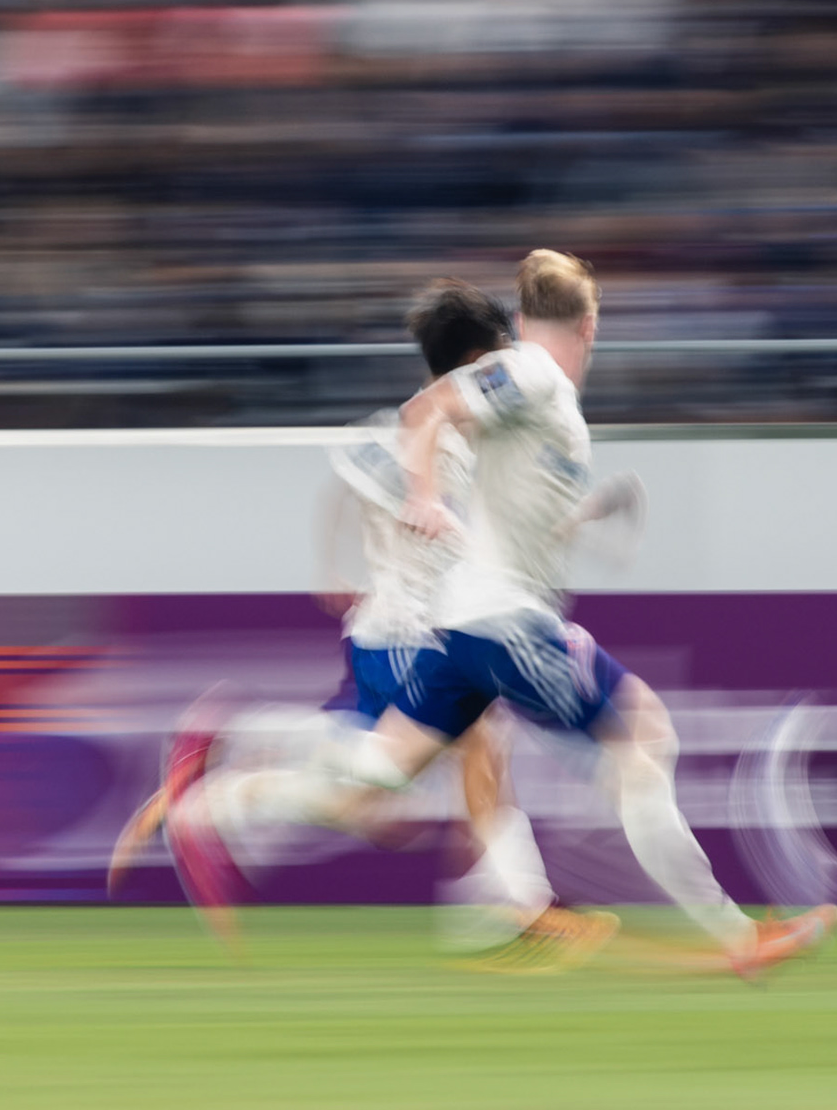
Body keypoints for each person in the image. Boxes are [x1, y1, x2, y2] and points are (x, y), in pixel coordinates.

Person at [176, 250, 835, 979]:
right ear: (589, 325)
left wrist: (592, 510)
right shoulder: (534, 374)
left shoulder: (536, 396)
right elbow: (424, 412)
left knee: (378, 771)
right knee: (644, 747)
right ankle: (737, 936)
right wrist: (424, 494)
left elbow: (507, 497)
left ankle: (219, 805)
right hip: (504, 624)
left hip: (463, 626)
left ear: (523, 319)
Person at [116, 280, 611, 962]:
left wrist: (330, 563)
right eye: (498, 354)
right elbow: (463, 530)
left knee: (376, 801)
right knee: (467, 747)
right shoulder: (459, 440)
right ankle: (511, 903)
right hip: (413, 633)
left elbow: (345, 480)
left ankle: (224, 773)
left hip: (389, 630)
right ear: (476, 358)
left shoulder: (402, 429)